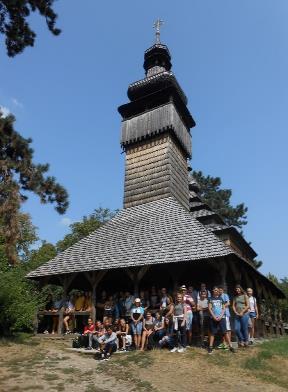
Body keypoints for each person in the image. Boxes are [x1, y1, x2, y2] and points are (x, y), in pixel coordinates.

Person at [208, 286, 235, 354]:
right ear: (213, 291)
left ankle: (230, 346)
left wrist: (220, 316)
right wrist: (214, 316)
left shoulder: (221, 299)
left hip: (221, 318)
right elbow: (210, 308)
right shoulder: (210, 298)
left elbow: (223, 308)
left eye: (217, 290)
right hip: (213, 318)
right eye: (215, 290)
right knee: (212, 333)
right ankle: (210, 347)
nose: (216, 291)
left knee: (225, 332)